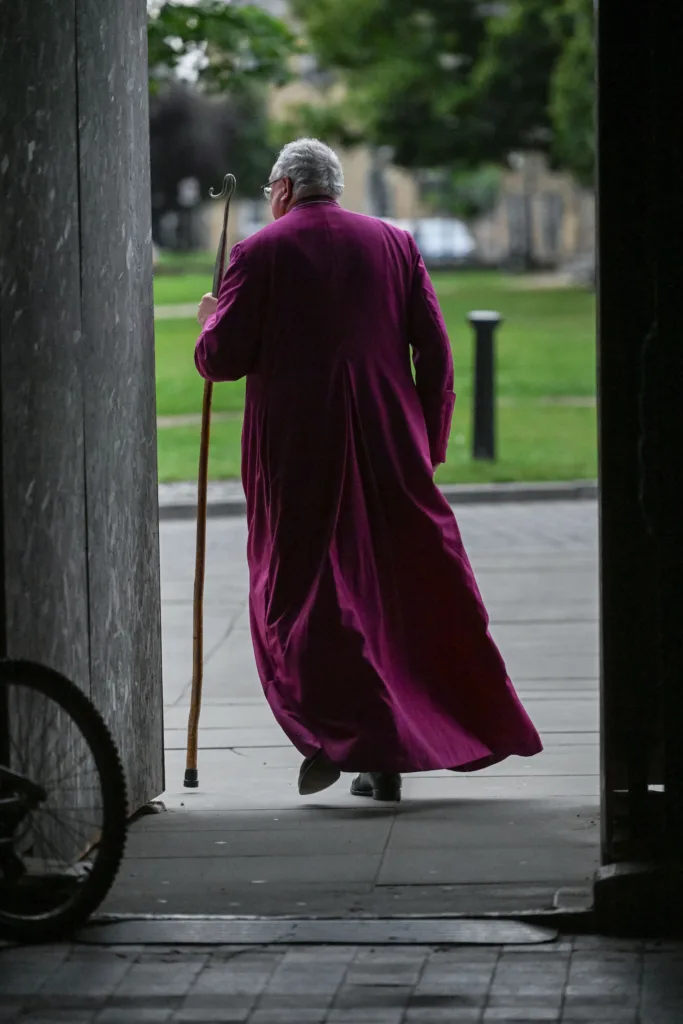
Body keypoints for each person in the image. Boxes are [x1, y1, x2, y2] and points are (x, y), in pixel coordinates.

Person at [195, 138, 542, 802]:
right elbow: (434, 350)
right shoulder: (393, 244)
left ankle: (348, 732)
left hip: (298, 444)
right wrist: (427, 441)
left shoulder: (259, 252)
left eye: (272, 192)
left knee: (302, 588)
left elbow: (224, 359)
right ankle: (400, 738)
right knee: (405, 586)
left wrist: (208, 325)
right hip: (390, 439)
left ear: (284, 190)